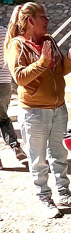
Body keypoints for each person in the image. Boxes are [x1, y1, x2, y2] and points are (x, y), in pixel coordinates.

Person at [4, 3, 71, 218]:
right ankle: (44, 198)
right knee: (38, 158)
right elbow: (19, 77)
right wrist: (42, 63)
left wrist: (69, 58)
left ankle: (63, 192)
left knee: (59, 153)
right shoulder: (17, 45)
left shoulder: (49, 40)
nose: (47, 21)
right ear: (30, 21)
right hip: (34, 112)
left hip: (58, 108)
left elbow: (60, 70)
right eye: (43, 17)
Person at [0, 24, 27, 169]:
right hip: (4, 82)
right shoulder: (5, 32)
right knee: (2, 118)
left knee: (2, 118)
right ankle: (16, 147)